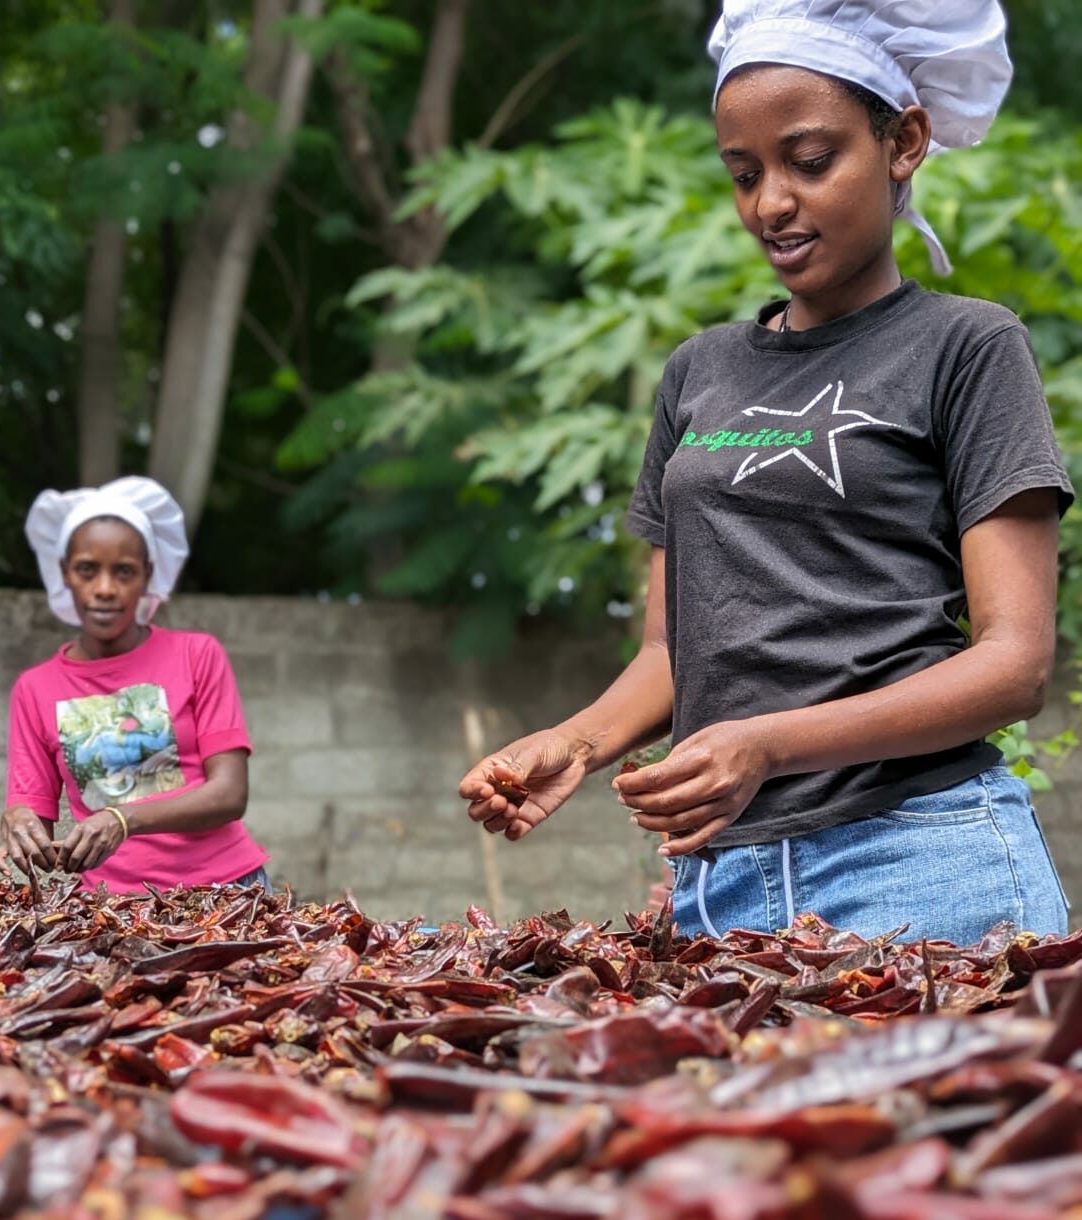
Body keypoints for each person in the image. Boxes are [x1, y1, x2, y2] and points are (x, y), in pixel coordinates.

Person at [459, 0, 1074, 945]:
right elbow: (672, 654)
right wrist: (575, 744)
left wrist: (771, 745)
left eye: (810, 161)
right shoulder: (697, 372)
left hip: (922, 858)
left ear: (904, 141)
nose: (770, 204)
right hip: (724, 882)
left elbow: (1013, 664)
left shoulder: (967, 346)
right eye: (744, 174)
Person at [0, 476, 270, 893]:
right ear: (65, 573)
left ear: (147, 576)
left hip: (226, 891)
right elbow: (34, 813)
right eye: (87, 569)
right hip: (109, 906)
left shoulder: (196, 655)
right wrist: (19, 827)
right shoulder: (35, 688)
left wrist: (125, 819)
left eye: (123, 572)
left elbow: (230, 794)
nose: (104, 589)